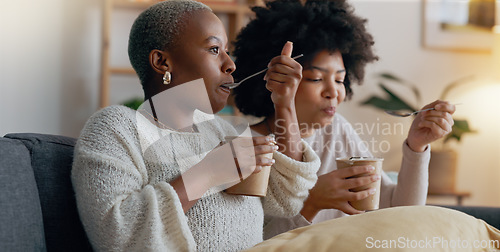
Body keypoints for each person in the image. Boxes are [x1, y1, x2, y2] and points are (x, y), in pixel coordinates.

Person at [71, 0, 320, 251]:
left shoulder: (224, 132)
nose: (230, 64)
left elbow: (288, 197)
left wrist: (285, 104)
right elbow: (117, 234)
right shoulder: (116, 127)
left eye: (226, 50)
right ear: (162, 62)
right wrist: (209, 173)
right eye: (214, 49)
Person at [232, 0, 456, 239]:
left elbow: (400, 211)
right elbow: (255, 244)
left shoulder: (337, 130)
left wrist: (417, 146)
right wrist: (312, 202)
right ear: (276, 80)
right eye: (316, 79)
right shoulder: (249, 147)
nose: (333, 92)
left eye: (339, 80)